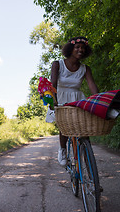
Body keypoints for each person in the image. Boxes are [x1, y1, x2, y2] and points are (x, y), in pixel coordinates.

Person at [51, 36, 98, 166]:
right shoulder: (57, 64)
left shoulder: (85, 68)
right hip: (61, 98)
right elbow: (53, 84)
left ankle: (88, 165)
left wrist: (98, 99)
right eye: (77, 47)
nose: (80, 50)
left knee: (83, 130)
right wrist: (53, 100)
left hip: (78, 98)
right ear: (71, 49)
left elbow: (92, 85)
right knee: (65, 127)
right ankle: (62, 149)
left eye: (83, 48)